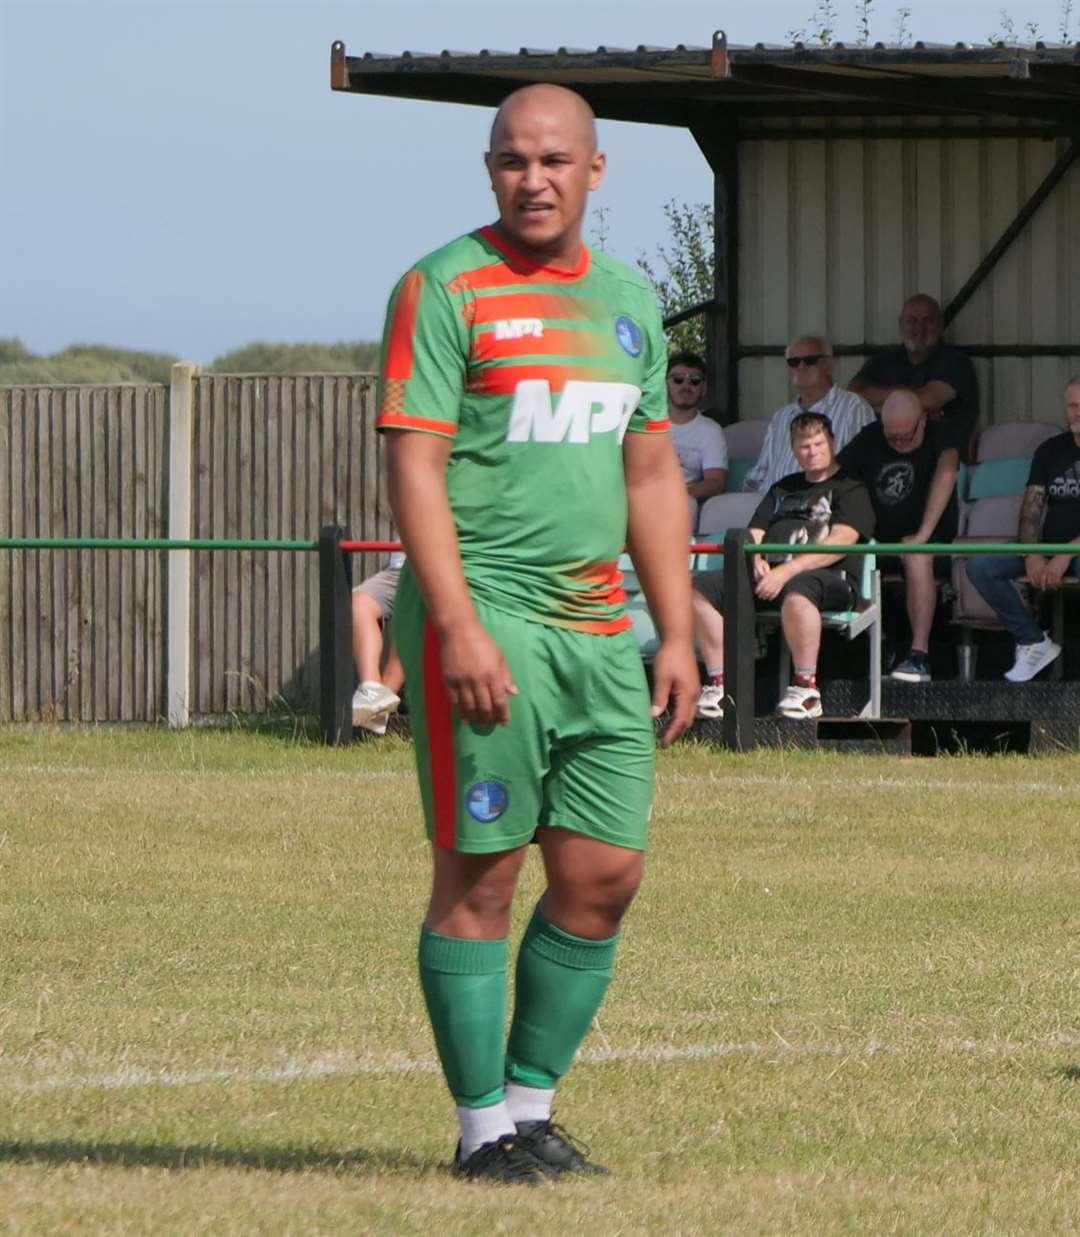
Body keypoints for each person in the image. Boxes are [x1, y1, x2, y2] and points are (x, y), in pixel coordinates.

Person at [376, 83, 698, 1184]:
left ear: (596, 172)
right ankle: (480, 1135)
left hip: (602, 627)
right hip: (491, 616)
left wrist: (677, 632)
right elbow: (413, 463)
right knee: (482, 872)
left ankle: (531, 1110)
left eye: (557, 159)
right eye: (514, 159)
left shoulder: (630, 303)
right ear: (490, 168)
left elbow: (650, 473)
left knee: (606, 872)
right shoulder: (442, 287)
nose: (536, 177)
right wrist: (456, 623)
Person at [693, 411, 876, 721]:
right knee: (698, 588)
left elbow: (841, 541)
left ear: (832, 442)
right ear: (793, 449)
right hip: (772, 576)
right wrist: (757, 559)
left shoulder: (850, 487)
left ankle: (806, 689)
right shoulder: (782, 487)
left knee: (798, 590)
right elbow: (755, 532)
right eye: (805, 446)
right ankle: (720, 684)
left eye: (819, 444)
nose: (813, 451)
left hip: (830, 578)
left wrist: (787, 570)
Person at [838, 388, 960, 683]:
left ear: (923, 421)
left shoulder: (941, 436)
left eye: (907, 436)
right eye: (892, 437)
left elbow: (947, 473)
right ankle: (866, 650)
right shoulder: (869, 437)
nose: (900, 443)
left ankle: (919, 654)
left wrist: (922, 534)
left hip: (929, 542)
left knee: (917, 557)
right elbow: (839, 477)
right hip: (876, 543)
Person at [965, 376, 1080, 682]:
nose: (1077, 412)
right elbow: (1032, 507)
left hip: (1074, 552)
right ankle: (1032, 640)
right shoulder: (1051, 450)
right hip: (1049, 545)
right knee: (980, 566)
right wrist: (1032, 554)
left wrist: (1066, 555)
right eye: (1072, 405)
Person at [848, 294, 979, 458]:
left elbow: (929, 401)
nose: (920, 328)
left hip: (940, 459)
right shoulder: (883, 361)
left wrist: (880, 404)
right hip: (882, 457)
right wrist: (908, 394)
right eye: (912, 320)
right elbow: (852, 395)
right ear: (900, 325)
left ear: (941, 324)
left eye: (928, 321)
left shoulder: (956, 363)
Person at [742, 336, 875, 492]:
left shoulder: (854, 408)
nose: (801, 366)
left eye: (810, 360)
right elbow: (760, 473)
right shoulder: (781, 416)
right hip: (771, 504)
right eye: (794, 362)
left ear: (828, 364)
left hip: (821, 505)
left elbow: (865, 468)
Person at [666, 350, 728, 518]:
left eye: (694, 381)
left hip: (684, 501)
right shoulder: (647, 423)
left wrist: (680, 494)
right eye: (678, 379)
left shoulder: (711, 430)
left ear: (704, 388)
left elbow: (716, 482)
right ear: (666, 384)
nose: (685, 386)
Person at [350, 552, 406, 733]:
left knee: (412, 609)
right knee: (357, 604)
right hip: (399, 569)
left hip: (439, 567)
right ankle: (372, 691)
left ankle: (377, 711)